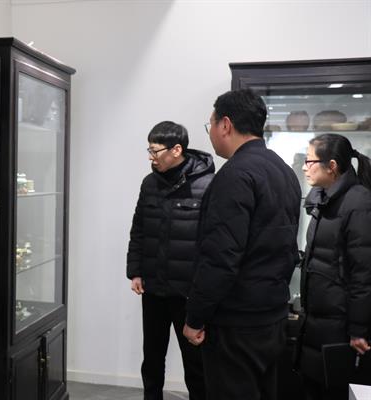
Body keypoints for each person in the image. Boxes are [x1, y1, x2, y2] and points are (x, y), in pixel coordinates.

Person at [182, 89, 301, 400]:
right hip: (272, 315)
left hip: (237, 323)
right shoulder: (283, 170)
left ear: (225, 124)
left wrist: (195, 318)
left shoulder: (234, 175)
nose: (210, 133)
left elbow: (220, 258)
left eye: (210, 125)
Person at [127, 120, 214, 400]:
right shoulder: (149, 183)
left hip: (188, 291)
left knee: (195, 363)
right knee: (152, 357)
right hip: (153, 287)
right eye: (149, 151)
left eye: (155, 151)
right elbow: (139, 229)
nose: (151, 157)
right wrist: (135, 271)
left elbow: (214, 242)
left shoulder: (208, 185)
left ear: (176, 150)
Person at [297, 133, 371, 400]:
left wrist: (359, 330)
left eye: (310, 161)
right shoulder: (322, 200)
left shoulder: (358, 202)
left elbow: (363, 273)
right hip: (318, 320)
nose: (304, 167)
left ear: (332, 166)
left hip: (340, 326)